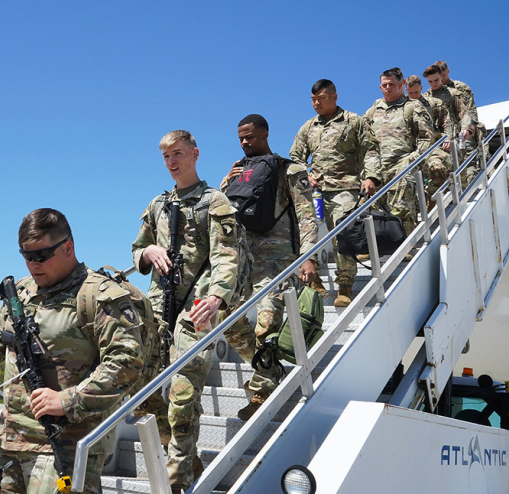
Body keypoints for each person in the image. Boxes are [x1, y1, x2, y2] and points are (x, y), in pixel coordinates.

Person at [0, 208, 145, 494]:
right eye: (26, 256)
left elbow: (127, 363)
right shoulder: (21, 292)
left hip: (63, 446)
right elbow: (0, 333)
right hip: (8, 442)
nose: (33, 264)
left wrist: (69, 400)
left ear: (67, 247)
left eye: (41, 256)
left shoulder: (99, 295)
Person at [131, 130, 239, 492]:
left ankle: (178, 482)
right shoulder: (158, 205)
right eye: (166, 157)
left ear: (195, 153)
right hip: (159, 307)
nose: (172, 162)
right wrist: (148, 253)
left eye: (178, 153)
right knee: (143, 397)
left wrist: (218, 297)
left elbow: (227, 255)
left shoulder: (215, 201)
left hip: (198, 308)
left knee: (181, 395)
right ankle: (188, 454)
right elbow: (139, 246)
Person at [221, 115, 319, 420]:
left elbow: (306, 214)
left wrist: (309, 256)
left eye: (249, 136)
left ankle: (261, 393)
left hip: (277, 262)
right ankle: (269, 367)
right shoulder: (240, 171)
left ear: (265, 133)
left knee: (266, 322)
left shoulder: (288, 169)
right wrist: (227, 182)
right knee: (228, 320)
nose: (245, 142)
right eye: (240, 138)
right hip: (243, 259)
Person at [290, 79, 381, 307]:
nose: (316, 104)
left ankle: (345, 287)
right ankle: (314, 280)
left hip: (345, 188)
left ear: (334, 97)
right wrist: (305, 174)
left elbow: (370, 148)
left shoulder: (353, 121)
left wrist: (371, 176)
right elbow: (295, 157)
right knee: (306, 235)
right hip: (316, 191)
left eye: (321, 99)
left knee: (344, 235)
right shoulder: (309, 127)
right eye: (313, 100)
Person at [363, 68, 435, 235]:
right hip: (377, 167)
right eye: (384, 85)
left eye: (391, 84)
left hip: (402, 163)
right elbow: (362, 136)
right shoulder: (374, 110)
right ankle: (376, 246)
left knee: (401, 208)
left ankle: (405, 246)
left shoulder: (412, 106)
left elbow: (427, 137)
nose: (387, 88)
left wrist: (413, 158)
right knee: (372, 209)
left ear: (402, 84)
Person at [424, 64, 476, 189]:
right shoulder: (425, 98)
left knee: (459, 168)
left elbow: (464, 113)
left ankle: (464, 193)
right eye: (430, 81)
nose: (434, 84)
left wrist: (466, 128)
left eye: (436, 80)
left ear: (441, 77)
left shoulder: (453, 93)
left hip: (454, 137)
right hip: (436, 139)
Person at [406, 74, 454, 201]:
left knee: (437, 168)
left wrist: (448, 138)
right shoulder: (402, 107)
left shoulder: (434, 103)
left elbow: (447, 122)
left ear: (421, 88)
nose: (414, 95)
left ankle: (434, 200)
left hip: (431, 146)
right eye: (411, 92)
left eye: (416, 91)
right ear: (406, 90)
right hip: (410, 148)